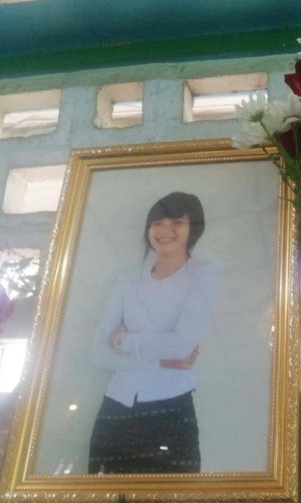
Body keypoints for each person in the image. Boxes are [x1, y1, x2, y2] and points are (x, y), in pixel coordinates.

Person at [87, 192, 218, 474]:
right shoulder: (127, 280)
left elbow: (182, 345)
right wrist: (160, 359)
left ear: (193, 228)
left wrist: (125, 341)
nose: (165, 230)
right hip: (116, 407)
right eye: (157, 222)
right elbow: (98, 352)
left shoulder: (204, 276)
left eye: (177, 222)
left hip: (171, 407)